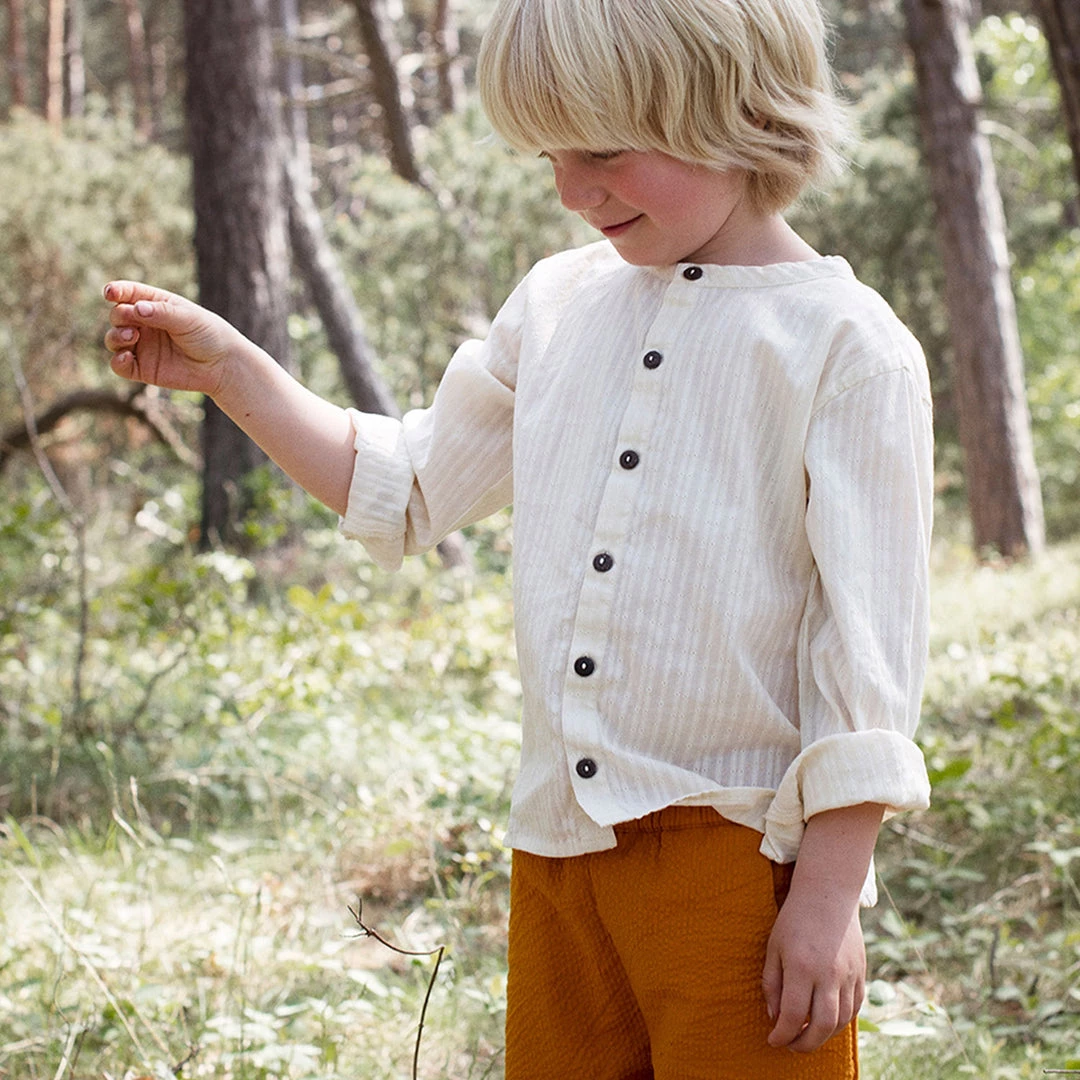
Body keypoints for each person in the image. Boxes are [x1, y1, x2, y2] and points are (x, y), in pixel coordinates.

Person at [103, 0, 934, 1075]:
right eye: (551, 155)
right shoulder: (557, 304)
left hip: (742, 862)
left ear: (737, 113)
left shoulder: (847, 347)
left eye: (603, 151)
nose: (571, 191)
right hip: (556, 854)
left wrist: (827, 896)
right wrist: (232, 372)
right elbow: (403, 487)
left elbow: (867, 658)